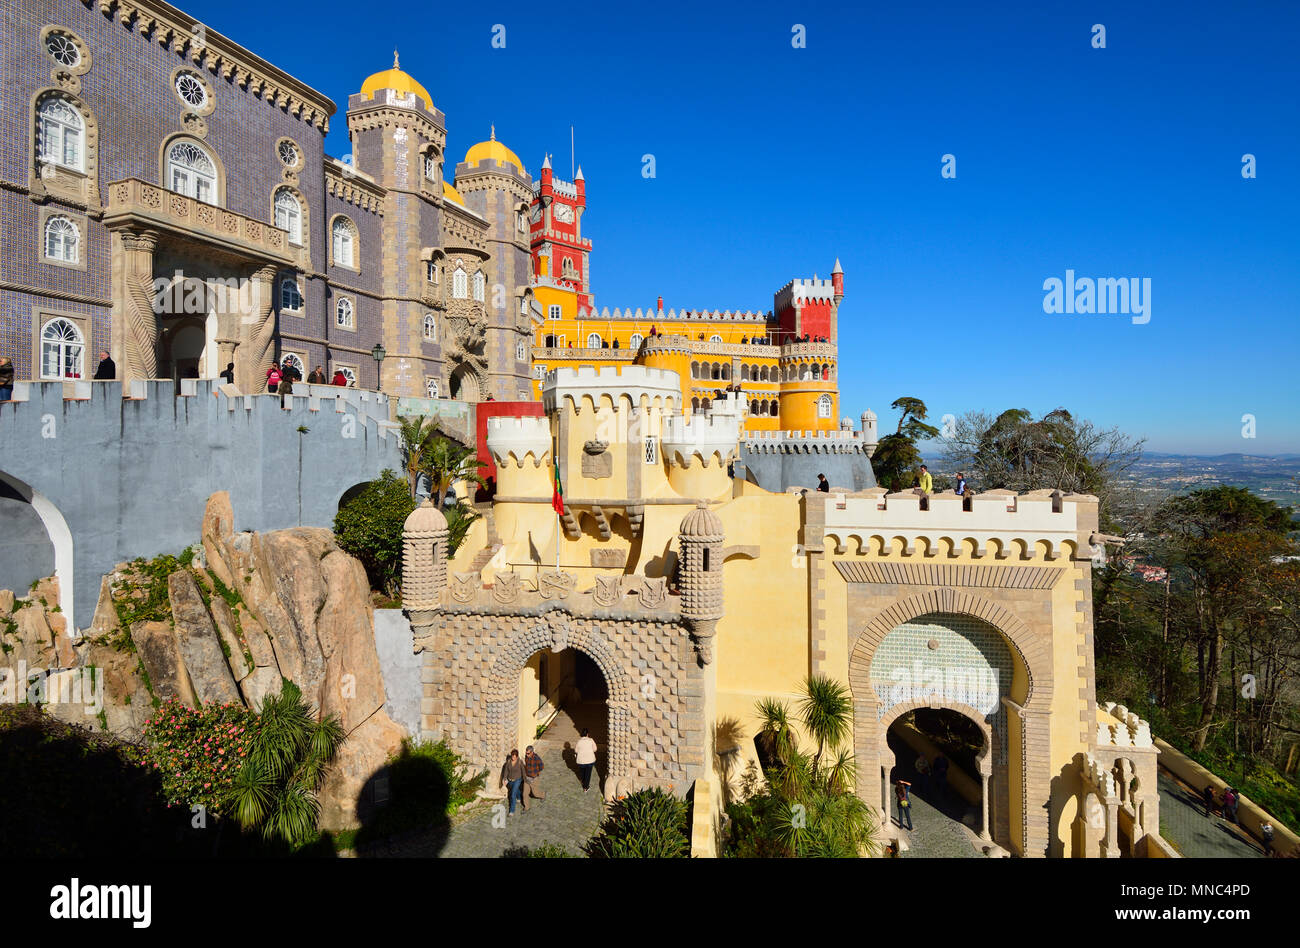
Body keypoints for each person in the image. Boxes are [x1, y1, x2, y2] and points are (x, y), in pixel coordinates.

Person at [499, 749, 526, 816]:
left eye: (514, 756)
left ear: (517, 756)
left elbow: (523, 771)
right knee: (515, 790)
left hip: (517, 780)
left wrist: (525, 779)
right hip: (510, 780)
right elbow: (506, 771)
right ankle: (519, 797)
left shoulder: (520, 762)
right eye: (512, 756)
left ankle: (512, 811)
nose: (513, 758)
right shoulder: (508, 762)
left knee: (512, 794)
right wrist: (504, 779)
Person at [575, 728, 598, 793]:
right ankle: (586, 787)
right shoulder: (591, 740)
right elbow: (595, 749)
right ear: (588, 734)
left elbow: (576, 751)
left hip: (581, 761)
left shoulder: (579, 741)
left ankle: (583, 781)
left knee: (582, 773)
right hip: (590, 760)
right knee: (588, 774)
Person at [523, 745, 545, 809]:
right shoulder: (526, 757)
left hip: (534, 779)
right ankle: (527, 807)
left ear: (532, 752)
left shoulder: (536, 758)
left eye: (528, 753)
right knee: (525, 794)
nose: (527, 754)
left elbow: (542, 766)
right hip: (527, 778)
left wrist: (536, 773)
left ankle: (543, 795)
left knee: (535, 793)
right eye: (526, 753)